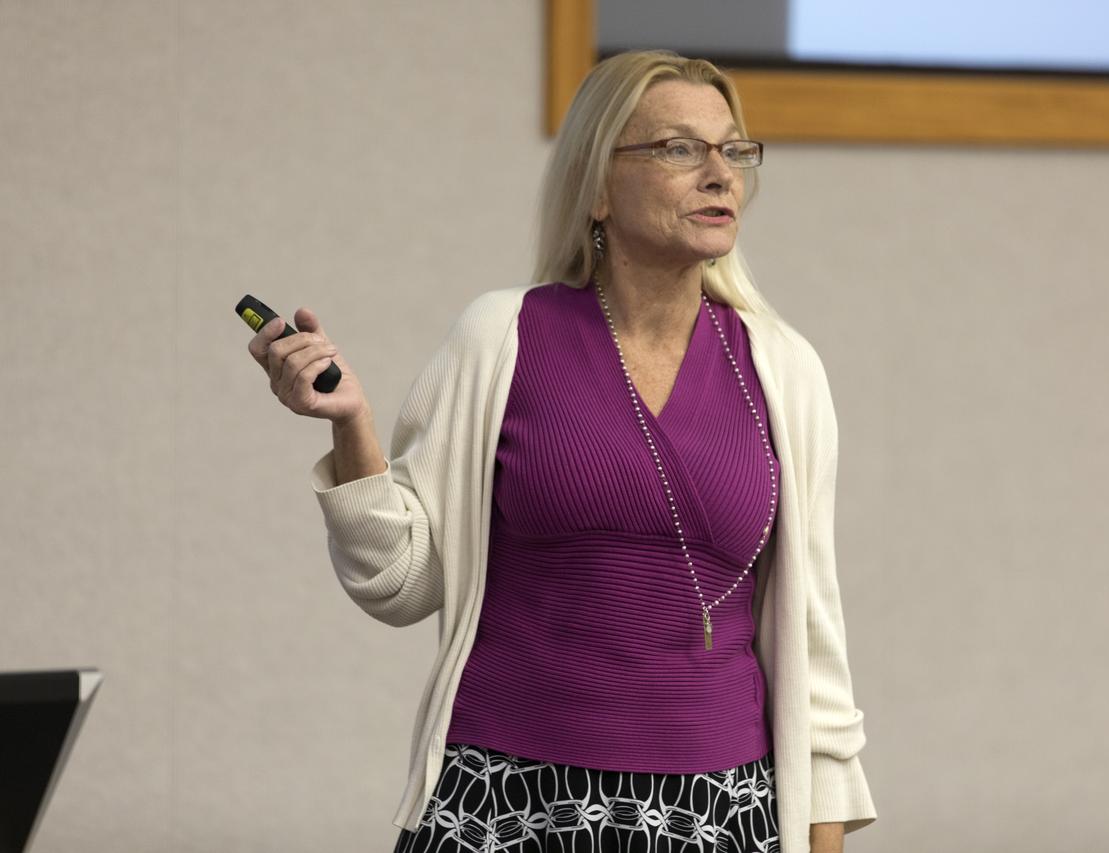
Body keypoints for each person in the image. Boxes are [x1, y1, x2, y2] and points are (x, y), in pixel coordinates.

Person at [247, 49, 876, 853]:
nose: (720, 174)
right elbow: (400, 581)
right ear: (600, 186)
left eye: (734, 150)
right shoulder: (502, 335)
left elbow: (817, 658)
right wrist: (351, 422)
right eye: (681, 148)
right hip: (506, 800)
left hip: (720, 812)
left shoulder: (783, 369)